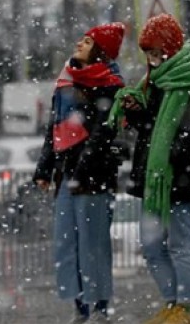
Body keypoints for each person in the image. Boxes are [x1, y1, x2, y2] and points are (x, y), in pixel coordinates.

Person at [110, 13, 190, 324]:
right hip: (154, 179)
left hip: (181, 178)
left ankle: (184, 307)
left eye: (156, 52)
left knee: (182, 244)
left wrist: (171, 153)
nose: (152, 59)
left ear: (170, 47)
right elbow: (150, 128)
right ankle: (171, 303)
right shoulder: (154, 82)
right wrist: (136, 113)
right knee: (152, 245)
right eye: (148, 53)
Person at [33, 22, 126, 324]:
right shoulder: (66, 81)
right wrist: (44, 168)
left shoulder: (110, 84)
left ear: (100, 51)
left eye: (87, 41)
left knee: (93, 243)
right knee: (66, 243)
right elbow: (54, 129)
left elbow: (103, 131)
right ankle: (78, 306)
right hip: (66, 175)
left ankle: (99, 306)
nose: (79, 43)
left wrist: (83, 167)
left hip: (94, 178)